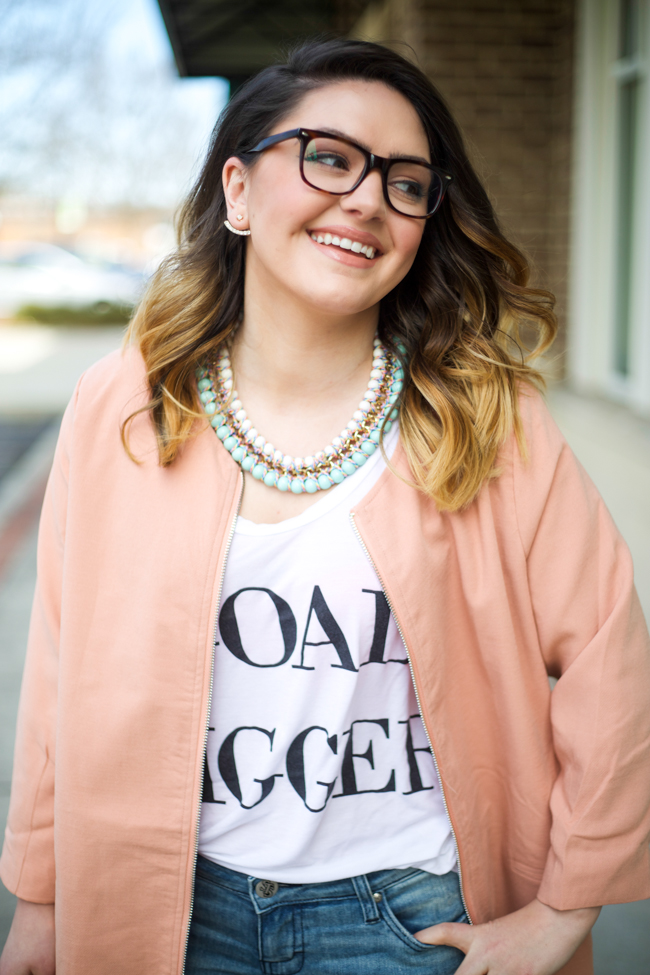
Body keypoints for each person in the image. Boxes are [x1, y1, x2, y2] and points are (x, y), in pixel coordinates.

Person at [1, 38, 649, 975]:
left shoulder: (484, 416)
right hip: (167, 908)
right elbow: (60, 670)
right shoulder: (125, 406)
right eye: (330, 157)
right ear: (237, 190)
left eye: (407, 183)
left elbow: (607, 655)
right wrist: (41, 895)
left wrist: (564, 904)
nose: (367, 200)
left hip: (412, 916)